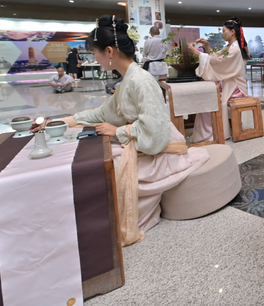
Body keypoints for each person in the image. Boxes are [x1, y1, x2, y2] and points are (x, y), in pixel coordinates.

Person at [39, 15, 208, 244]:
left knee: (105, 164)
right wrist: (64, 121)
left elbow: (155, 133)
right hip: (144, 142)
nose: (95, 59)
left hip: (159, 149)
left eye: (95, 53)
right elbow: (102, 113)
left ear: (109, 51)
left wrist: (119, 131)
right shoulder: (127, 80)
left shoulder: (141, 80)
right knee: (97, 157)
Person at [188, 17, 250, 143]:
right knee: (207, 96)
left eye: (224, 31)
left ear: (232, 32)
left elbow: (218, 62)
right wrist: (207, 45)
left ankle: (211, 133)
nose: (222, 33)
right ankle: (209, 131)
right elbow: (215, 57)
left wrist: (197, 53)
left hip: (236, 87)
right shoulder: (230, 47)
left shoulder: (235, 49)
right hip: (230, 84)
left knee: (209, 99)